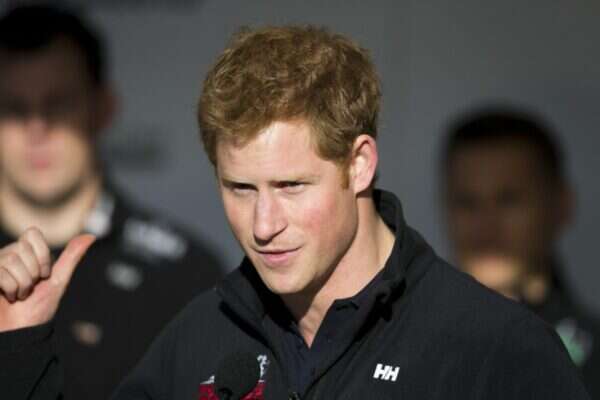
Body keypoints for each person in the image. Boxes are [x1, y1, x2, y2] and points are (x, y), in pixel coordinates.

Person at [0, 26, 591, 399]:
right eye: (239, 188)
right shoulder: (199, 337)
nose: (264, 225)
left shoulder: (494, 350)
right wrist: (20, 352)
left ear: (360, 164)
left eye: (291, 186)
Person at [0, 5, 223, 400]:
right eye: (14, 108)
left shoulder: (184, 276)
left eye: (58, 104)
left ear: (103, 108)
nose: (37, 127)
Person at [440, 107, 600, 398]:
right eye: (467, 202)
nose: (485, 227)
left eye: (509, 200)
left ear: (561, 205)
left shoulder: (591, 362)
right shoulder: (405, 345)